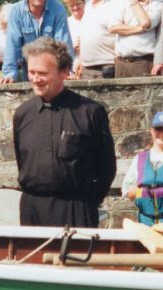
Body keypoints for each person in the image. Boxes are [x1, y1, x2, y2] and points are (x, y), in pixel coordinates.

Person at [12, 37, 116, 227]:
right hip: (32, 209)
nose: (35, 79)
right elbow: (23, 162)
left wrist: (88, 204)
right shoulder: (22, 114)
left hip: (76, 208)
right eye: (31, 72)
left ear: (64, 72)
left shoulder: (90, 112)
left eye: (42, 73)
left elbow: (106, 168)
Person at [0, 0, 73, 83]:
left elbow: (63, 44)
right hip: (28, 71)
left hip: (53, 71)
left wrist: (67, 71)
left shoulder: (58, 9)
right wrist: (9, 74)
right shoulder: (16, 11)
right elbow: (12, 46)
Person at [109, 0, 163, 78]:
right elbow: (113, 28)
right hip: (121, 64)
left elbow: (145, 23)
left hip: (143, 63)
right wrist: (139, 29)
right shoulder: (122, 1)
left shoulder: (159, 4)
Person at [78, 0, 117, 79]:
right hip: (86, 67)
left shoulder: (115, 4)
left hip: (107, 67)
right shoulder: (88, 6)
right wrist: (80, 60)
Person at [61, 0, 86, 75]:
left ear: (84, 2)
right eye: (71, 5)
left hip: (89, 67)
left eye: (78, 4)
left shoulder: (91, 19)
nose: (75, 7)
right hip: (72, 68)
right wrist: (72, 47)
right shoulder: (65, 22)